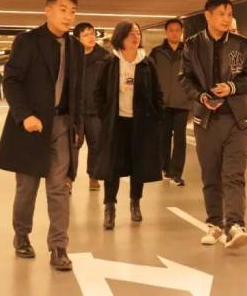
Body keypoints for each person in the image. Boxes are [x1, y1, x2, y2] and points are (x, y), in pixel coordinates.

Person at [0, 0, 85, 271]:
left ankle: (59, 247)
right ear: (47, 10)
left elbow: (77, 90)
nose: (68, 16)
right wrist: (25, 116)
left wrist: (78, 126)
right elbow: (11, 81)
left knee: (59, 188)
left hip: (62, 124)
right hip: (32, 126)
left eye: (73, 11)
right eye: (62, 9)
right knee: (27, 188)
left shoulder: (76, 47)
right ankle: (21, 234)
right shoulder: (28, 41)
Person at [179, 0, 247, 249]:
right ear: (208, 15)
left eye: (229, 14)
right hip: (206, 120)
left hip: (237, 119)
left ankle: (235, 225)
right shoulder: (192, 45)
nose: (226, 19)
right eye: (221, 14)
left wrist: (232, 87)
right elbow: (185, 78)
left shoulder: (243, 45)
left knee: (234, 174)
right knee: (211, 174)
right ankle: (214, 224)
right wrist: (202, 97)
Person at [94, 21, 163, 230]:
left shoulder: (147, 63)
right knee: (112, 166)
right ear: (120, 37)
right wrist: (105, 114)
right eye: (131, 33)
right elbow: (98, 92)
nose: (136, 37)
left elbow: (157, 93)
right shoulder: (110, 62)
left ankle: (135, 202)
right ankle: (109, 206)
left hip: (140, 123)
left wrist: (155, 115)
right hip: (116, 122)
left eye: (138, 33)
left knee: (138, 164)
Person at [149, 18, 190, 187]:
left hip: (182, 102)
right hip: (162, 103)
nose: (174, 33)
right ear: (166, 32)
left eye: (177, 30)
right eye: (171, 30)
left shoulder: (189, 52)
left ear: (181, 32)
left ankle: (176, 173)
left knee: (180, 139)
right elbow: (150, 76)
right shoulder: (156, 52)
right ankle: (164, 167)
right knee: (163, 137)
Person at [74, 22, 110, 191]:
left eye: (92, 33)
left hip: (95, 110)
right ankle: (69, 179)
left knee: (96, 145)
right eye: (86, 35)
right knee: (74, 145)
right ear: (78, 39)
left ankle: (93, 177)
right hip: (75, 110)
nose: (91, 37)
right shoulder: (72, 57)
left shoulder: (105, 57)